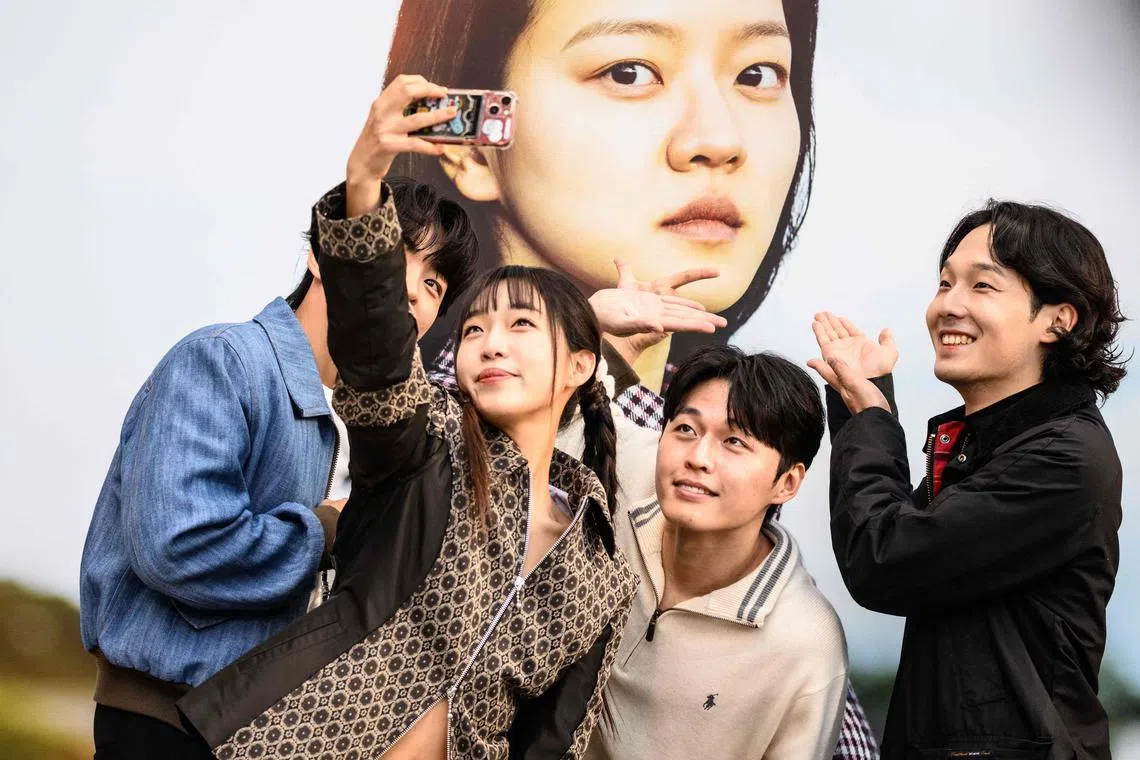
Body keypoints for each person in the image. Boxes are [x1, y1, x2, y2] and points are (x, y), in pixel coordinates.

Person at [178, 75, 639, 760]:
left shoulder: (602, 569)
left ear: (577, 366)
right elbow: (377, 348)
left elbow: (553, 741)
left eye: (519, 325)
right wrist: (364, 181)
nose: (490, 343)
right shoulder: (428, 440)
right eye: (475, 328)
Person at [78, 86, 477, 758]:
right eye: (400, 254)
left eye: (436, 283)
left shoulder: (388, 426)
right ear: (326, 254)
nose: (413, 287)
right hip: (170, 723)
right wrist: (325, 529)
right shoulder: (225, 362)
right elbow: (178, 545)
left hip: (283, 738)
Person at [809, 201, 1127, 759]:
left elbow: (885, 558)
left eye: (982, 287)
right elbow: (901, 539)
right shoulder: (994, 441)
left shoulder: (1066, 458)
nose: (947, 306)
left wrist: (870, 419)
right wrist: (869, 405)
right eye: (944, 283)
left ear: (1059, 318)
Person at [385, 0, 819, 393]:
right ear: (472, 148)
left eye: (757, 74)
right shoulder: (408, 428)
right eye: (628, 72)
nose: (720, 140)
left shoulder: (728, 441)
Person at [561, 346, 848, 760]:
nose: (697, 458)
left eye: (734, 442)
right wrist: (600, 331)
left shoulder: (804, 642)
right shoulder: (620, 474)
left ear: (786, 482)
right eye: (685, 430)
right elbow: (548, 412)